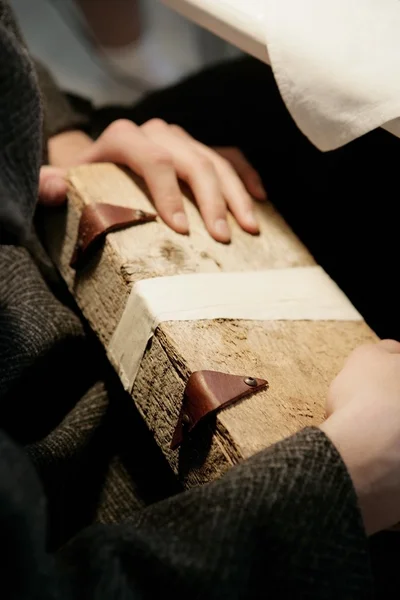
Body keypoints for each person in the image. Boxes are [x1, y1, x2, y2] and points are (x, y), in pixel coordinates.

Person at [1, 0, 400, 597]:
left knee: (330, 120)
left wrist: (55, 140)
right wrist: (341, 482)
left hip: (36, 233)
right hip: (84, 479)